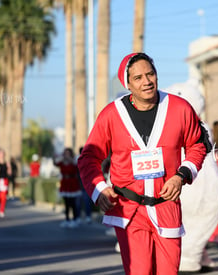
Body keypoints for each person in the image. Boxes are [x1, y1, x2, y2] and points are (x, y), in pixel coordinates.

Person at [78, 52, 209, 274]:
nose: (146, 81)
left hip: (166, 206)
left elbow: (199, 144)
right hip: (129, 209)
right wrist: (99, 189)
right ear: (127, 84)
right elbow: (89, 157)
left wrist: (181, 175)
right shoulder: (112, 114)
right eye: (138, 78)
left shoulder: (179, 108)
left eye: (150, 74)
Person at [166, 80, 218, 273]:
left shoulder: (183, 126)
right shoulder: (200, 126)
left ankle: (192, 258)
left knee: (189, 227)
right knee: (191, 227)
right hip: (197, 185)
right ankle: (194, 257)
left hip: (190, 183)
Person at [54, 148, 82, 228]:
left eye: (68, 153)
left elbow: (76, 164)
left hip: (72, 182)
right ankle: (67, 219)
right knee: (66, 203)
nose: (66, 155)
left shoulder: (74, 160)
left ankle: (75, 219)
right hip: (65, 183)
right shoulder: (62, 161)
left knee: (73, 203)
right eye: (65, 153)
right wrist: (56, 156)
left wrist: (69, 158)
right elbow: (55, 163)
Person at [78, 147, 93, 224]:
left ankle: (88, 216)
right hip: (80, 185)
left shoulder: (89, 161)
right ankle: (78, 217)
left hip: (86, 185)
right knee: (79, 202)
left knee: (87, 201)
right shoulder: (78, 161)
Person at [0, 149, 11, 217]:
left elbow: (10, 173)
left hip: (4, 180)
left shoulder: (7, 163)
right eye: (0, 154)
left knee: (4, 197)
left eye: (3, 154)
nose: (1, 155)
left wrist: (9, 168)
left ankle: (2, 210)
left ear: (4, 155)